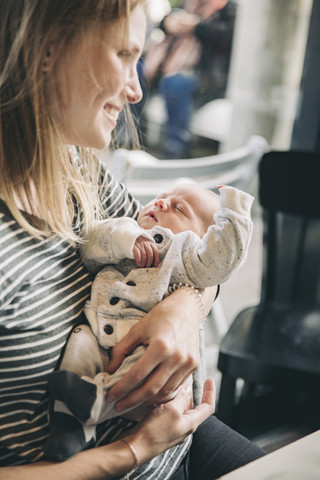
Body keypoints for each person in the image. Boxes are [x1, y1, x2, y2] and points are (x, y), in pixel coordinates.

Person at [0, 1, 265, 479]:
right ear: (46, 49)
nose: (138, 90)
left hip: (181, 444)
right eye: (123, 55)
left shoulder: (76, 166)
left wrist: (184, 311)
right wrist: (131, 450)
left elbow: (186, 254)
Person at [44, 182, 254, 461]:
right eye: (160, 197)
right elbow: (90, 244)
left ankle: (96, 402)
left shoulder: (185, 255)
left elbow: (219, 262)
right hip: (98, 330)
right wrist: (127, 239)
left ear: (200, 241)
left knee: (143, 362)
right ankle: (71, 423)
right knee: (80, 342)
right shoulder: (125, 228)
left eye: (179, 208)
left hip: (148, 366)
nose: (161, 203)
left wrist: (236, 209)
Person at [143, 0, 237, 158]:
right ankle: (130, 134)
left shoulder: (229, 10)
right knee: (140, 71)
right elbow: (164, 23)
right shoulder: (191, 4)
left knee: (175, 83)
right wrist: (168, 23)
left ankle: (176, 146)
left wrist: (196, 27)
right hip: (167, 66)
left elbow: (227, 38)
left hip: (206, 77)